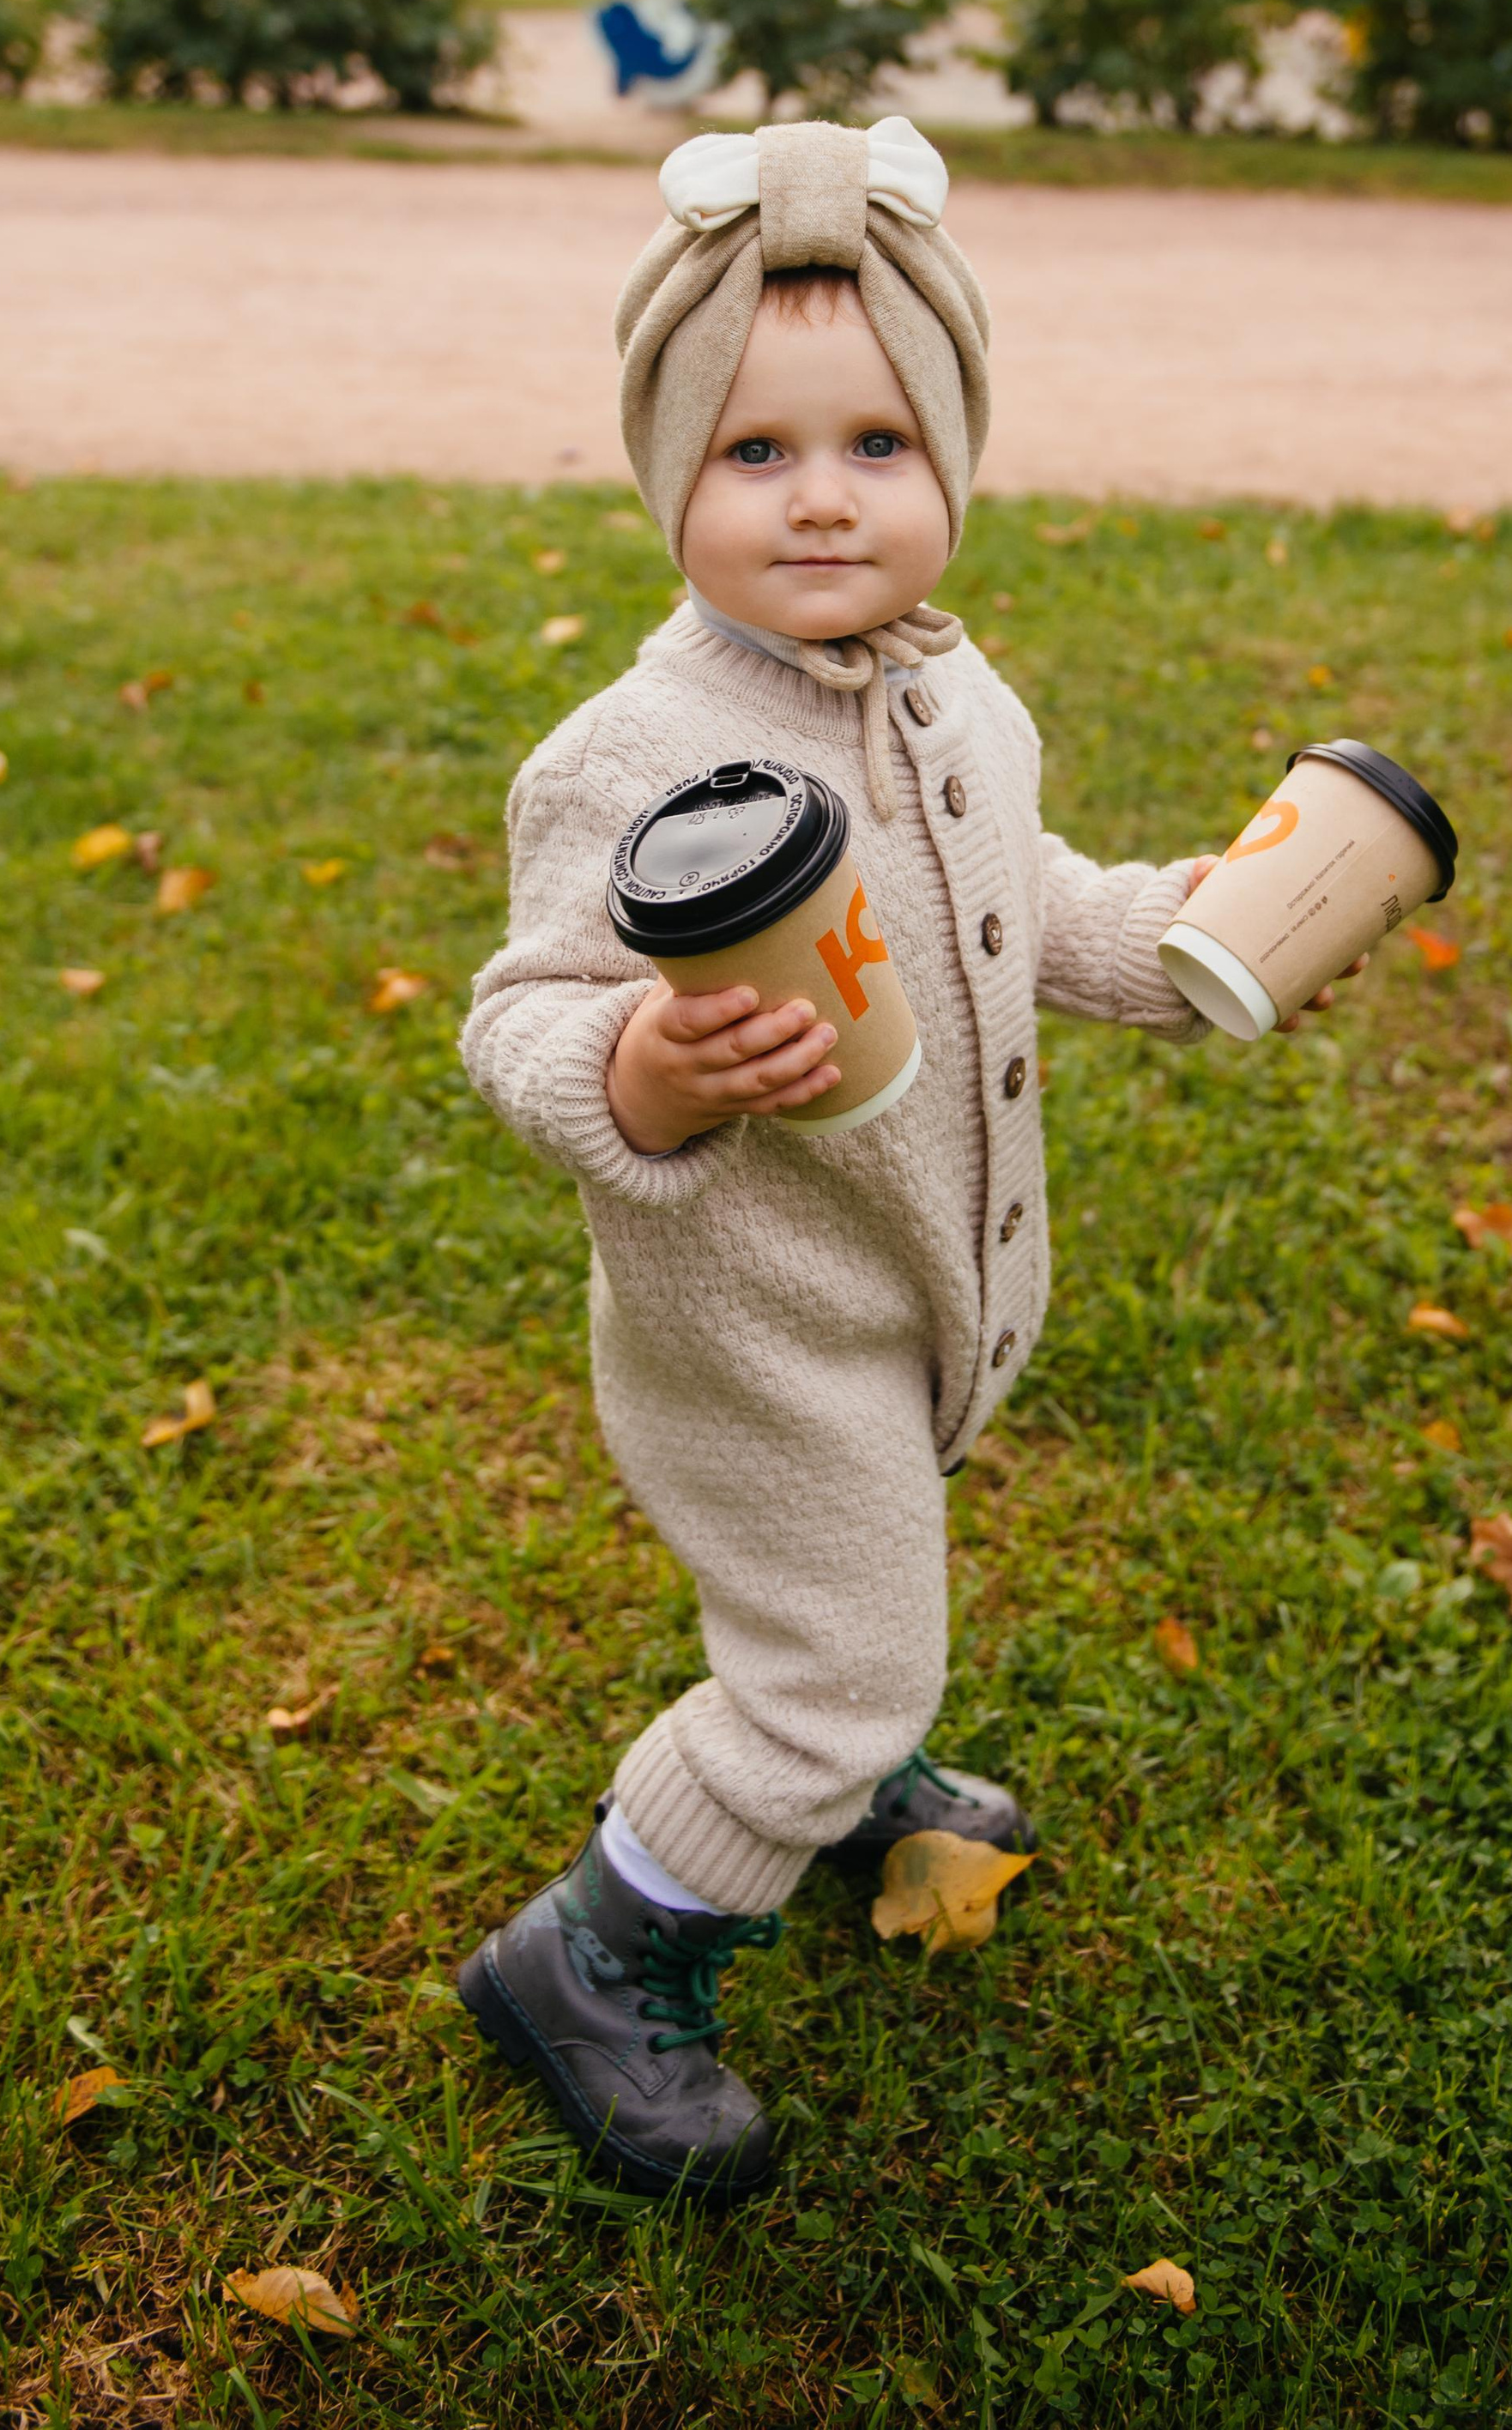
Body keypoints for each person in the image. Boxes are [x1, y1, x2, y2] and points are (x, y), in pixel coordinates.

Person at [457, 116, 1353, 2199]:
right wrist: (648, 1065)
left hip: (904, 1278)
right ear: (662, 472)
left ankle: (850, 1773)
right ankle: (595, 1953)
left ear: (952, 460)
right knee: (838, 1651)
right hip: (754, 1322)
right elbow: (516, 1020)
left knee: (870, 1577)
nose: (822, 496)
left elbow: (1011, 900)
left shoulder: (954, 700)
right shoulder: (628, 755)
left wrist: (1184, 937)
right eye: (752, 451)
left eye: (877, 442)